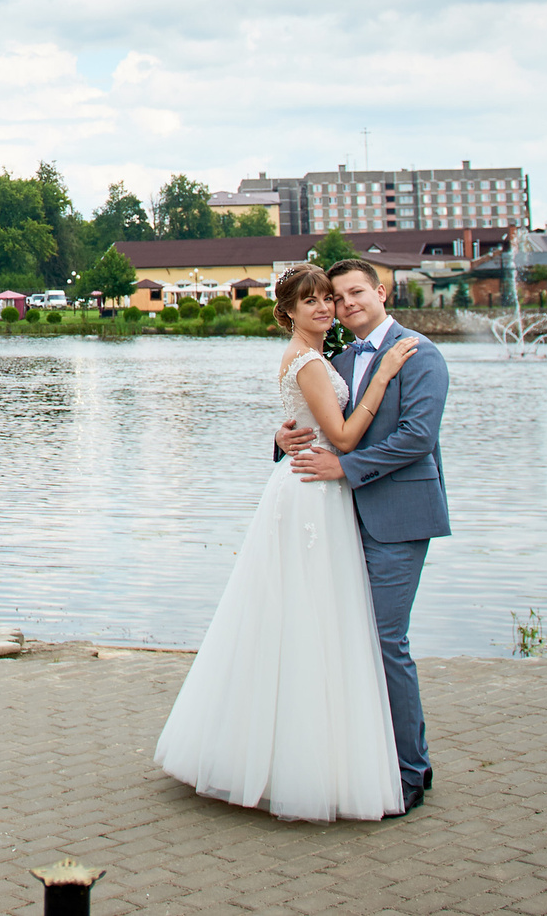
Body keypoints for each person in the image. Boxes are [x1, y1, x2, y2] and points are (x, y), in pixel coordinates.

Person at [154, 263, 416, 820]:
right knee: (311, 620)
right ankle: (306, 763)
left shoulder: (319, 358)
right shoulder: (312, 362)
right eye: (311, 301)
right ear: (289, 312)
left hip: (310, 487)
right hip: (313, 494)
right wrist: (385, 375)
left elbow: (315, 425)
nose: (324, 307)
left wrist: (283, 436)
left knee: (299, 618)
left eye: (329, 298)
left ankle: (291, 753)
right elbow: (342, 435)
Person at [280, 257, 451, 812]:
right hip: (338, 516)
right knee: (347, 641)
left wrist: (346, 470)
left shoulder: (419, 353)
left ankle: (410, 771)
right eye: (336, 296)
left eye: (355, 293)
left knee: (385, 641)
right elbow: (326, 424)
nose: (345, 304)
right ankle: (362, 759)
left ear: (381, 292)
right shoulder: (339, 356)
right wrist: (283, 441)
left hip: (398, 518)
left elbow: (417, 437)